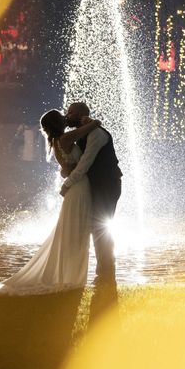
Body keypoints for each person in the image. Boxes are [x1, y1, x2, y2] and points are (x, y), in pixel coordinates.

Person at [0, 109, 101, 295]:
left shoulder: (57, 142)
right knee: (76, 234)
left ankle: (70, 277)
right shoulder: (66, 139)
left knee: (73, 234)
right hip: (79, 189)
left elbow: (68, 166)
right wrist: (87, 120)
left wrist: (66, 171)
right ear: (58, 124)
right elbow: (96, 124)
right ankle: (71, 278)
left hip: (76, 189)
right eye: (62, 118)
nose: (66, 118)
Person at [61, 102, 122, 285]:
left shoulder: (96, 134)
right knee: (95, 227)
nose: (67, 115)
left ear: (81, 114)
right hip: (95, 185)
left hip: (107, 185)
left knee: (101, 227)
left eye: (71, 113)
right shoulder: (85, 133)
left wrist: (67, 184)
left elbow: (86, 163)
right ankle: (102, 273)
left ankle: (106, 273)